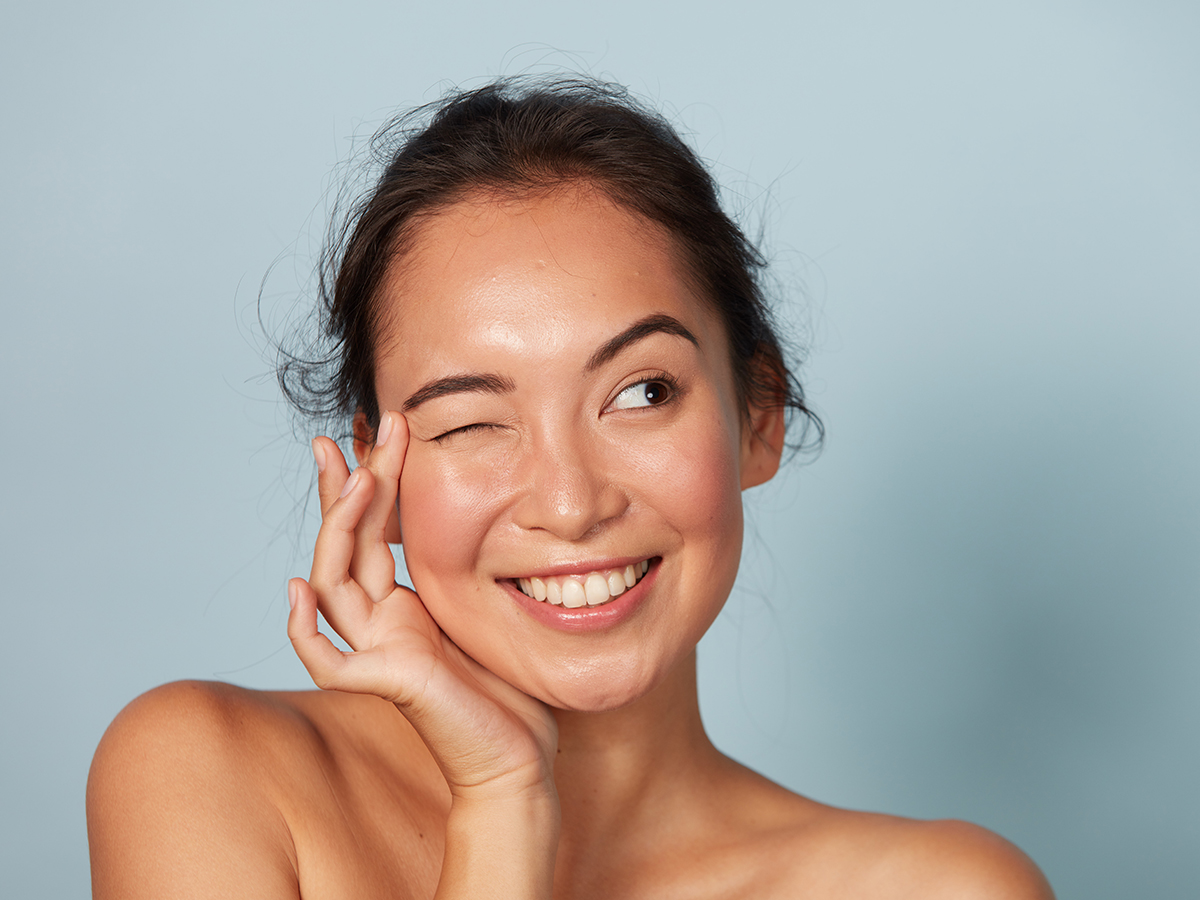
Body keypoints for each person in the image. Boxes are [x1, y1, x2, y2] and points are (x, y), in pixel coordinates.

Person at [87, 77, 1054, 899]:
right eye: (471, 422)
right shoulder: (209, 774)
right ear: (375, 478)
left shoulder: (941, 887)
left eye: (641, 393)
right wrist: (503, 797)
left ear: (757, 415)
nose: (570, 502)